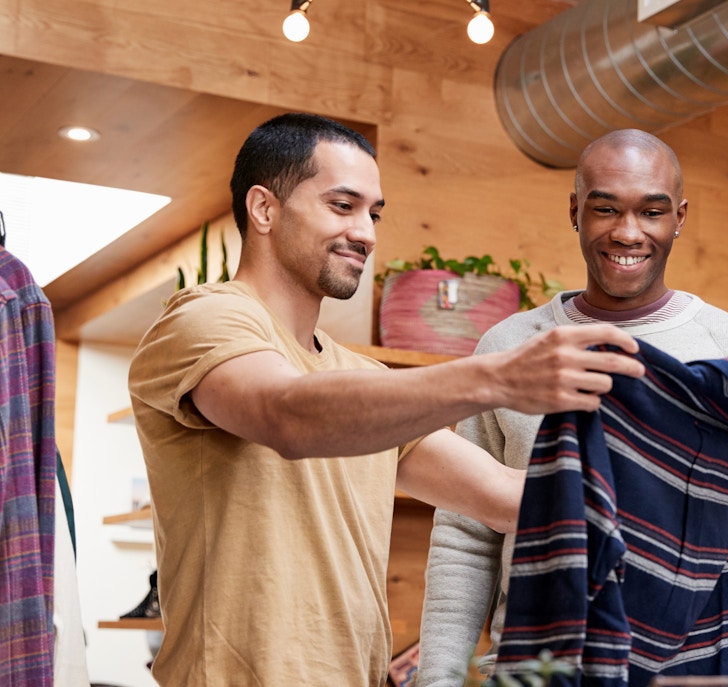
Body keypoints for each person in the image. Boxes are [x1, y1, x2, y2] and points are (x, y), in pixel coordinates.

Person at [126, 112, 650, 687]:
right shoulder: (204, 318)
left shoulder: (361, 379)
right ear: (264, 208)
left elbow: (508, 499)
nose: (367, 233)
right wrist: (496, 377)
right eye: (342, 205)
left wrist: (708, 486)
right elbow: (285, 413)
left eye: (373, 213)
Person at [417, 129, 728, 685]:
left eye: (652, 211)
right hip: (536, 668)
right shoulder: (509, 349)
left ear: (680, 217)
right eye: (605, 209)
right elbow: (466, 532)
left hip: (697, 672)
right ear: (575, 210)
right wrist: (441, 678)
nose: (628, 232)